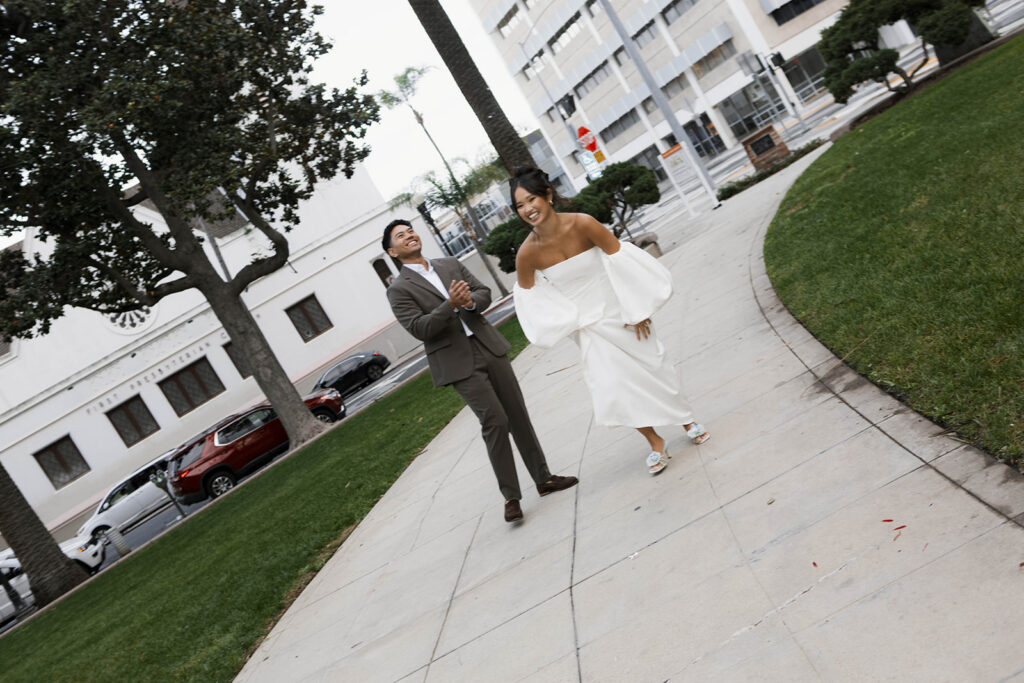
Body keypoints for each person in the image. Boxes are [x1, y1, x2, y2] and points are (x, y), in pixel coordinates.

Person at [511, 167, 709, 476]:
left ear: (548, 195)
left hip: (622, 313)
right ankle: (655, 442)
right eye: (519, 205)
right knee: (615, 389)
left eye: (531, 199)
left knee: (654, 369)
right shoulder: (527, 254)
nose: (527, 209)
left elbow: (623, 261)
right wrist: (565, 319)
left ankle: (686, 420)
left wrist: (637, 309)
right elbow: (529, 299)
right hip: (588, 330)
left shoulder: (583, 224)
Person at [383, 219, 578, 523]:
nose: (409, 235)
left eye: (410, 230)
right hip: (458, 362)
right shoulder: (399, 290)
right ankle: (511, 497)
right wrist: (450, 305)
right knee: (495, 421)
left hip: (489, 346)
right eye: (400, 236)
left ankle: (544, 479)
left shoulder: (449, 264)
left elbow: (483, 291)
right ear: (392, 252)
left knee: (517, 414)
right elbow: (420, 328)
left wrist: (470, 301)